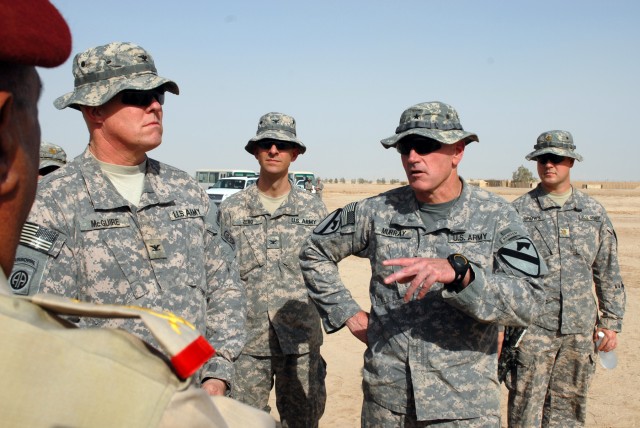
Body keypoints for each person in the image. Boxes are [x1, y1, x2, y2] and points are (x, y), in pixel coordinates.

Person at [0, 1, 273, 426]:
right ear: (93, 110)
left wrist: (216, 373)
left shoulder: (186, 190)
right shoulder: (54, 202)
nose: (156, 107)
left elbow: (225, 289)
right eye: (138, 97)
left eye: (158, 95)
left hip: (197, 403)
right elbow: (49, 330)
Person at [300, 101, 547, 427]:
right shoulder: (376, 211)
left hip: (464, 406)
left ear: (457, 151)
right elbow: (314, 251)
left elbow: (529, 301)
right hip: (388, 403)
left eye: (427, 146)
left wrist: (463, 277)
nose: (414, 158)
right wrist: (347, 312)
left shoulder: (497, 217)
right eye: (405, 148)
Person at [507, 130, 626, 427]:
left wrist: (610, 323)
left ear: (570, 161)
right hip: (531, 332)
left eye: (557, 158)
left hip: (579, 332)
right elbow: (503, 275)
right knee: (525, 410)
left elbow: (607, 269)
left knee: (569, 411)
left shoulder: (592, 213)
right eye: (542, 158)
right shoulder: (517, 213)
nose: (549, 164)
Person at [218, 112, 328, 427]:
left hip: (301, 341)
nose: (274, 150)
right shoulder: (232, 209)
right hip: (248, 343)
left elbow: (325, 272)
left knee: (303, 422)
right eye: (266, 143)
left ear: (295, 153)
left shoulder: (313, 210)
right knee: (242, 422)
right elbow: (220, 274)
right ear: (255, 151)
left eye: (283, 145)